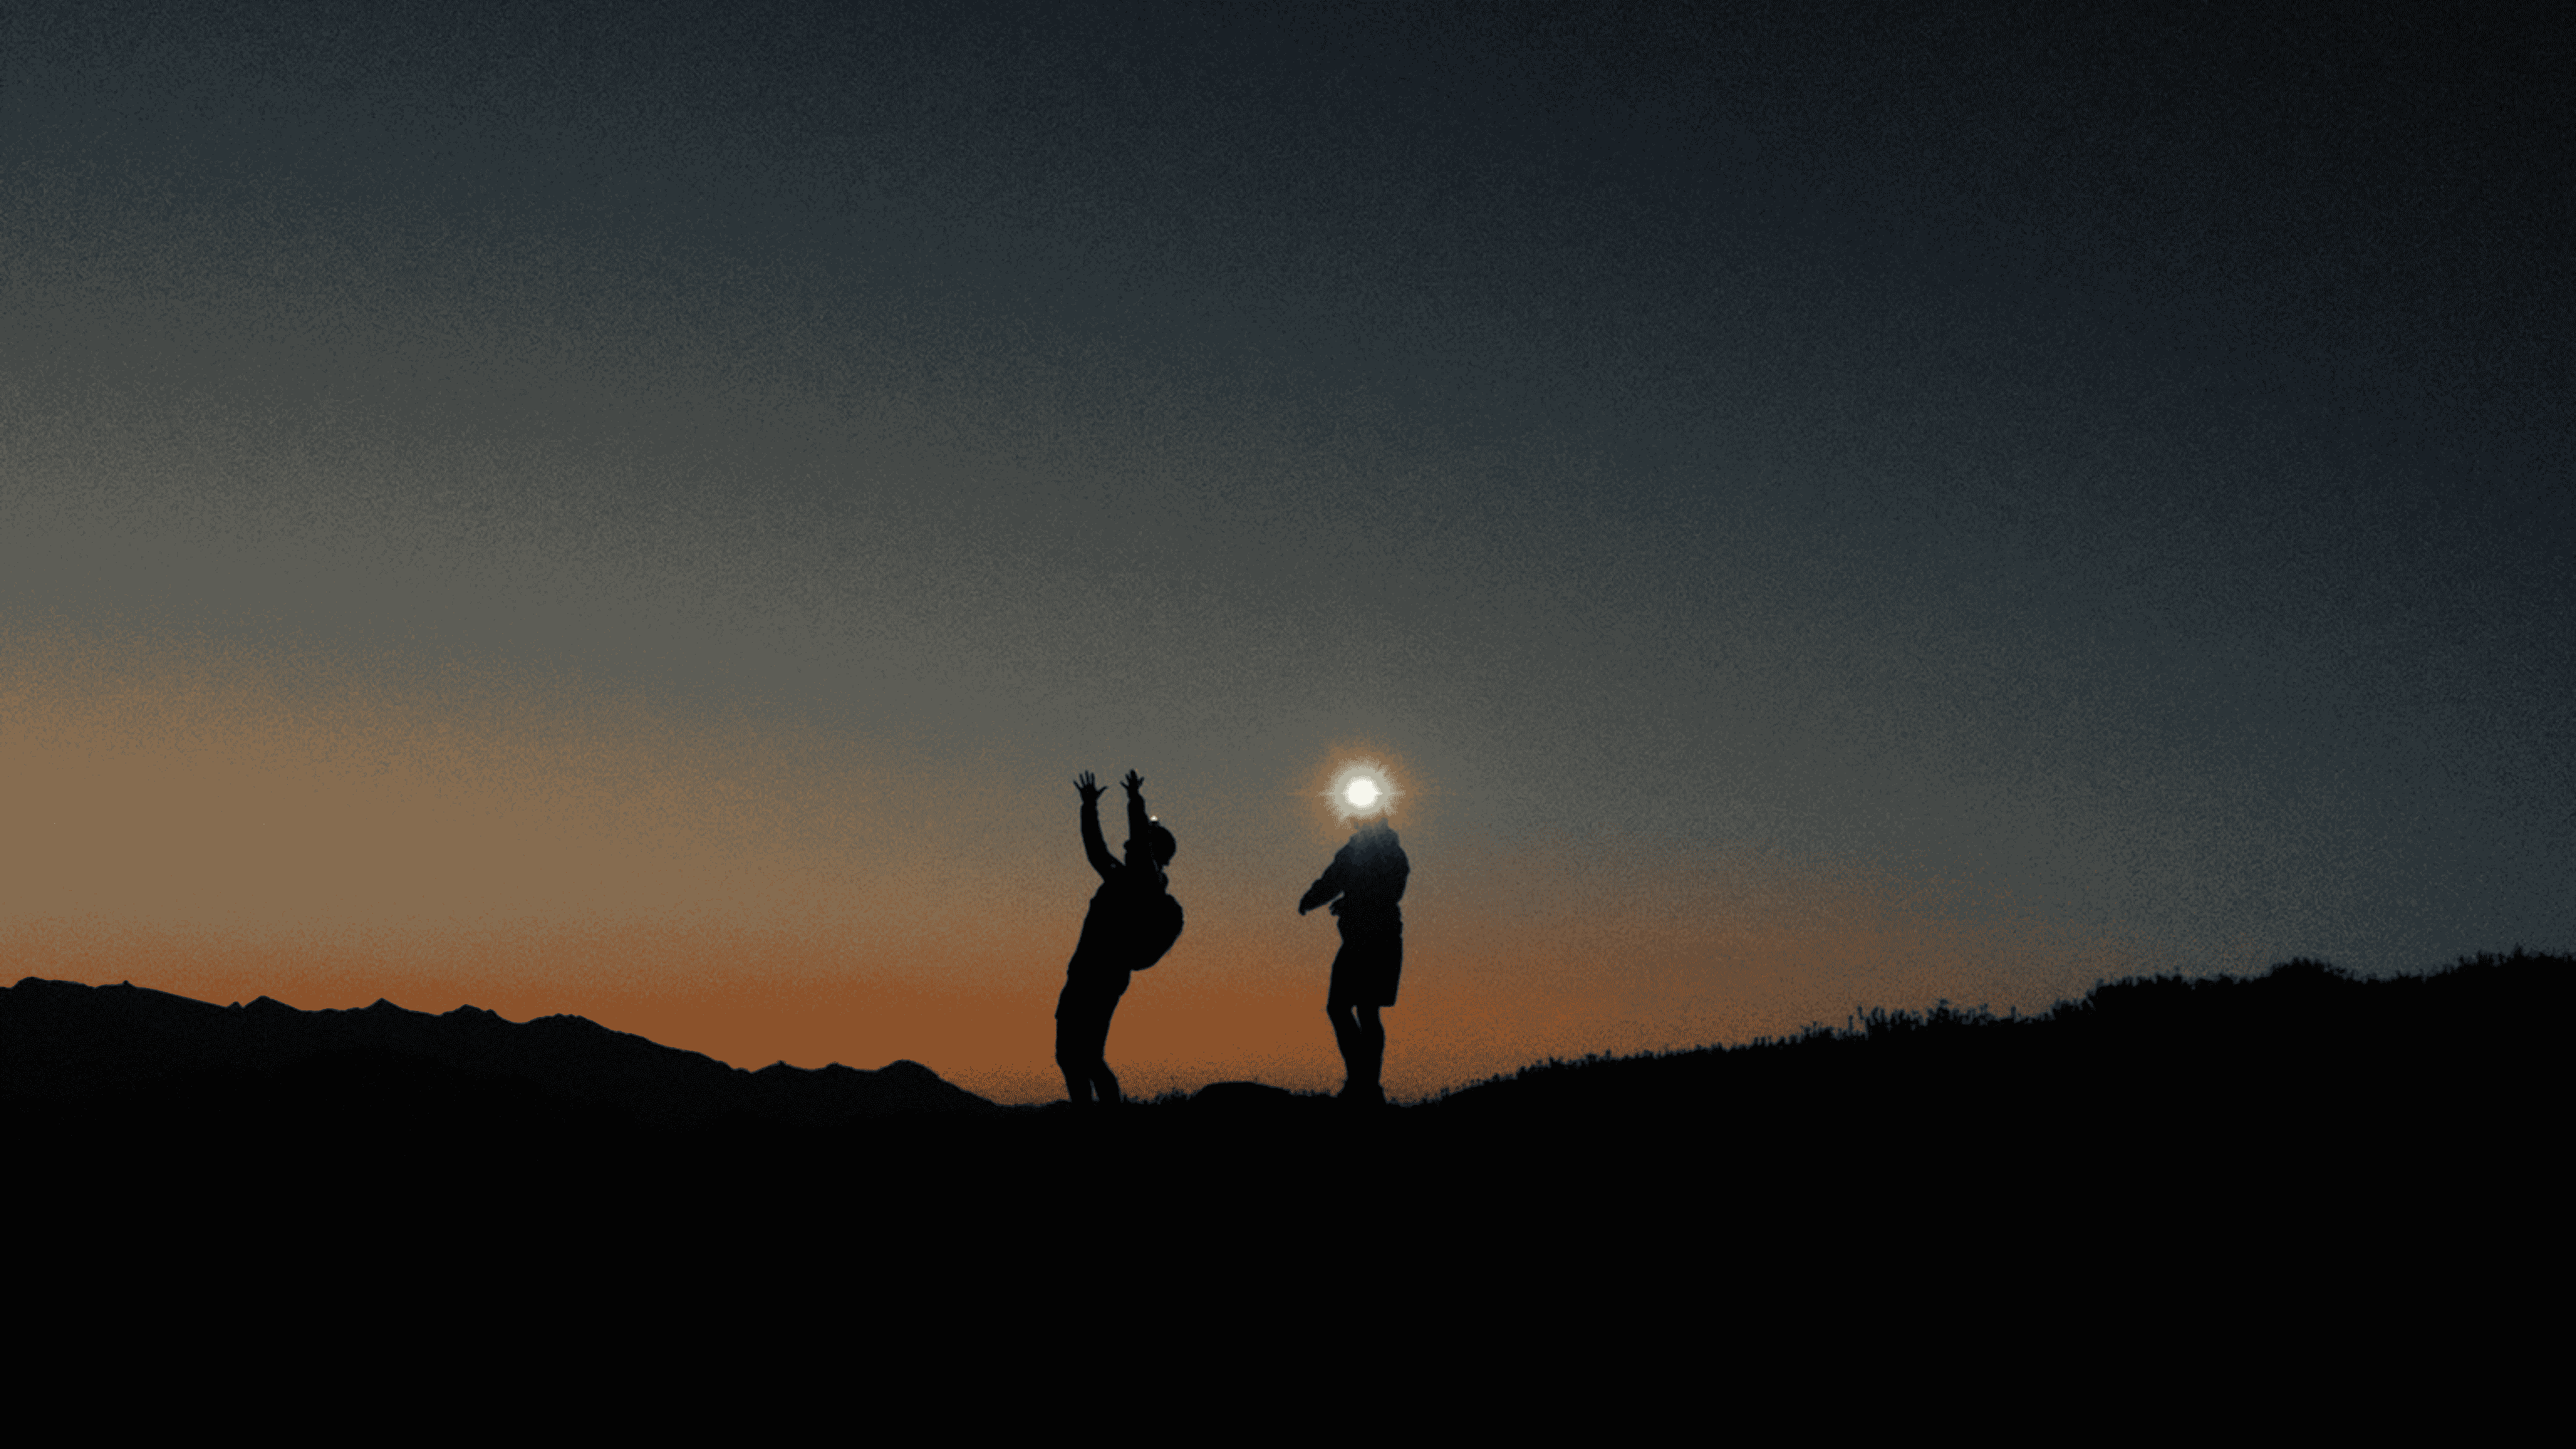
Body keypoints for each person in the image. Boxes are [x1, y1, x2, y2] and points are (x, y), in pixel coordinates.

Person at [1055, 769, 1181, 1108]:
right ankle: (1087, 1113)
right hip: (1083, 972)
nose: (1127, 850)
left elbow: (1138, 842)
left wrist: (1135, 801)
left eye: (1135, 848)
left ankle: (1109, 1120)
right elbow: (1095, 849)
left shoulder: (1147, 883)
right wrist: (1089, 806)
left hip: (1104, 977)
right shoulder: (1119, 877)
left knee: (1088, 1056)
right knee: (1070, 1055)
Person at [1299, 816, 1409, 1104]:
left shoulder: (1392, 853)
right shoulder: (1353, 850)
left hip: (1379, 938)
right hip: (1359, 939)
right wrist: (1312, 899)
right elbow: (1333, 878)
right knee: (1343, 1008)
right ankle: (1362, 1081)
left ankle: (1366, 1085)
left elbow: (1391, 891)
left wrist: (1351, 901)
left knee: (1364, 1010)